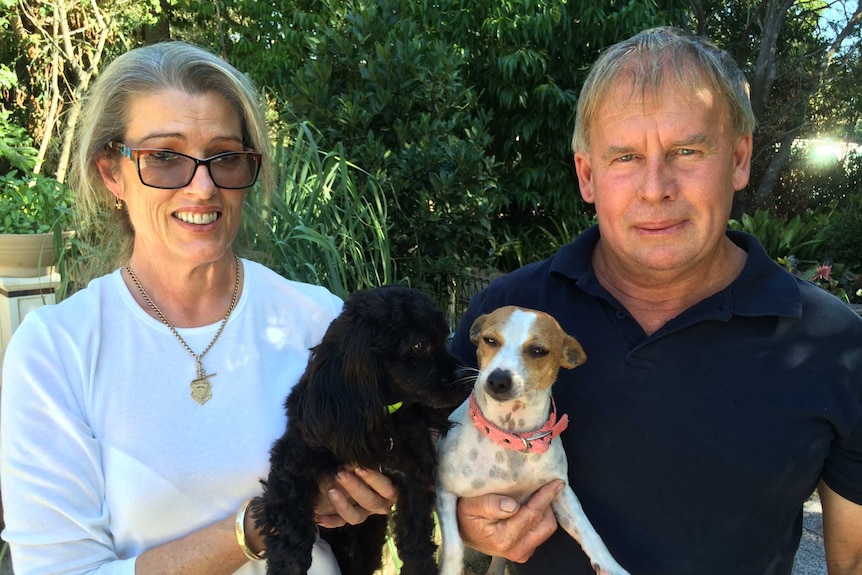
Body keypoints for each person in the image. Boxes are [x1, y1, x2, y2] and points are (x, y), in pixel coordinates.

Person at [449, 26, 862, 575]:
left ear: (739, 159)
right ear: (587, 175)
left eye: (686, 150)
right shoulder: (511, 310)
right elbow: (409, 450)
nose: (655, 187)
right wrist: (462, 514)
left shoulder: (836, 345)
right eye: (624, 158)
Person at [0, 41, 396, 575]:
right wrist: (264, 521)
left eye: (226, 157)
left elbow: (398, 457)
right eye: (164, 157)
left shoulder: (315, 320)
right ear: (111, 174)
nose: (203, 187)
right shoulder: (58, 350)